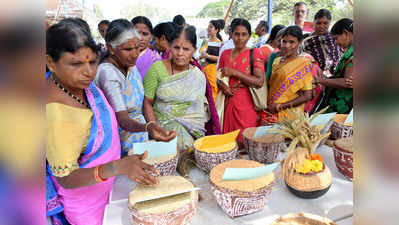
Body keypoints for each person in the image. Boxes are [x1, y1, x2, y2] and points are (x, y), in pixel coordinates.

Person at [46, 20, 159, 225]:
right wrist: (116, 167)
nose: (89, 72)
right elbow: (66, 178)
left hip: (109, 188)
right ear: (51, 63)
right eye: (76, 64)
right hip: (87, 205)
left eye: (92, 62)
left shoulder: (81, 86)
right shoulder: (56, 114)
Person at [94, 19, 176, 155]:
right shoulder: (107, 73)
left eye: (137, 47)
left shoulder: (129, 65)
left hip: (139, 136)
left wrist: (151, 125)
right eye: (128, 49)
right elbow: (123, 120)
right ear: (110, 48)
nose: (135, 54)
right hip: (120, 141)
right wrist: (148, 127)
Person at [143, 25, 208, 152]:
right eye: (176, 47)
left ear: (194, 50)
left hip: (192, 134)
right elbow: (147, 102)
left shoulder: (197, 75)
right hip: (162, 134)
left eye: (186, 49)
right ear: (170, 47)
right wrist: (155, 128)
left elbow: (199, 110)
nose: (180, 53)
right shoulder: (156, 69)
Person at [218, 18, 265, 145]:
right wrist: (222, 86)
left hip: (246, 104)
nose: (240, 38)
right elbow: (219, 77)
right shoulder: (225, 54)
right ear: (231, 35)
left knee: (245, 141)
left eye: (244, 34)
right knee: (228, 142)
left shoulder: (254, 53)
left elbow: (259, 81)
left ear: (249, 36)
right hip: (227, 103)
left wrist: (234, 72)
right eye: (236, 34)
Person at [266, 26, 313, 122]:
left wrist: (280, 106)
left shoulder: (304, 64)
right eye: (284, 41)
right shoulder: (276, 61)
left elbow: (307, 95)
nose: (287, 46)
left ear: (299, 43)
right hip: (271, 111)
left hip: (290, 115)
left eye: (292, 42)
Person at [317, 18, 354, 114]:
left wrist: (320, 80)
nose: (335, 43)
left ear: (345, 33)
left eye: (336, 38)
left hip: (343, 107)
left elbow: (348, 82)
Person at [302, 9, 343, 77]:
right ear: (314, 23)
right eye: (319, 23)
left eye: (325, 23)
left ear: (330, 23)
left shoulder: (334, 38)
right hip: (314, 77)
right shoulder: (306, 41)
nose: (321, 26)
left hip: (337, 77)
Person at [199, 19, 225, 102]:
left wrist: (207, 56)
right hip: (204, 68)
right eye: (208, 27)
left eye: (211, 27)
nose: (208, 29)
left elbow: (220, 58)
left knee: (212, 91)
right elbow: (202, 55)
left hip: (212, 70)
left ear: (216, 30)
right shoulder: (206, 41)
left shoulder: (219, 43)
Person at [131, 16, 162, 80]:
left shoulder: (155, 59)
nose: (140, 38)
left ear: (151, 37)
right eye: (136, 33)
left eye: (145, 34)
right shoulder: (122, 56)